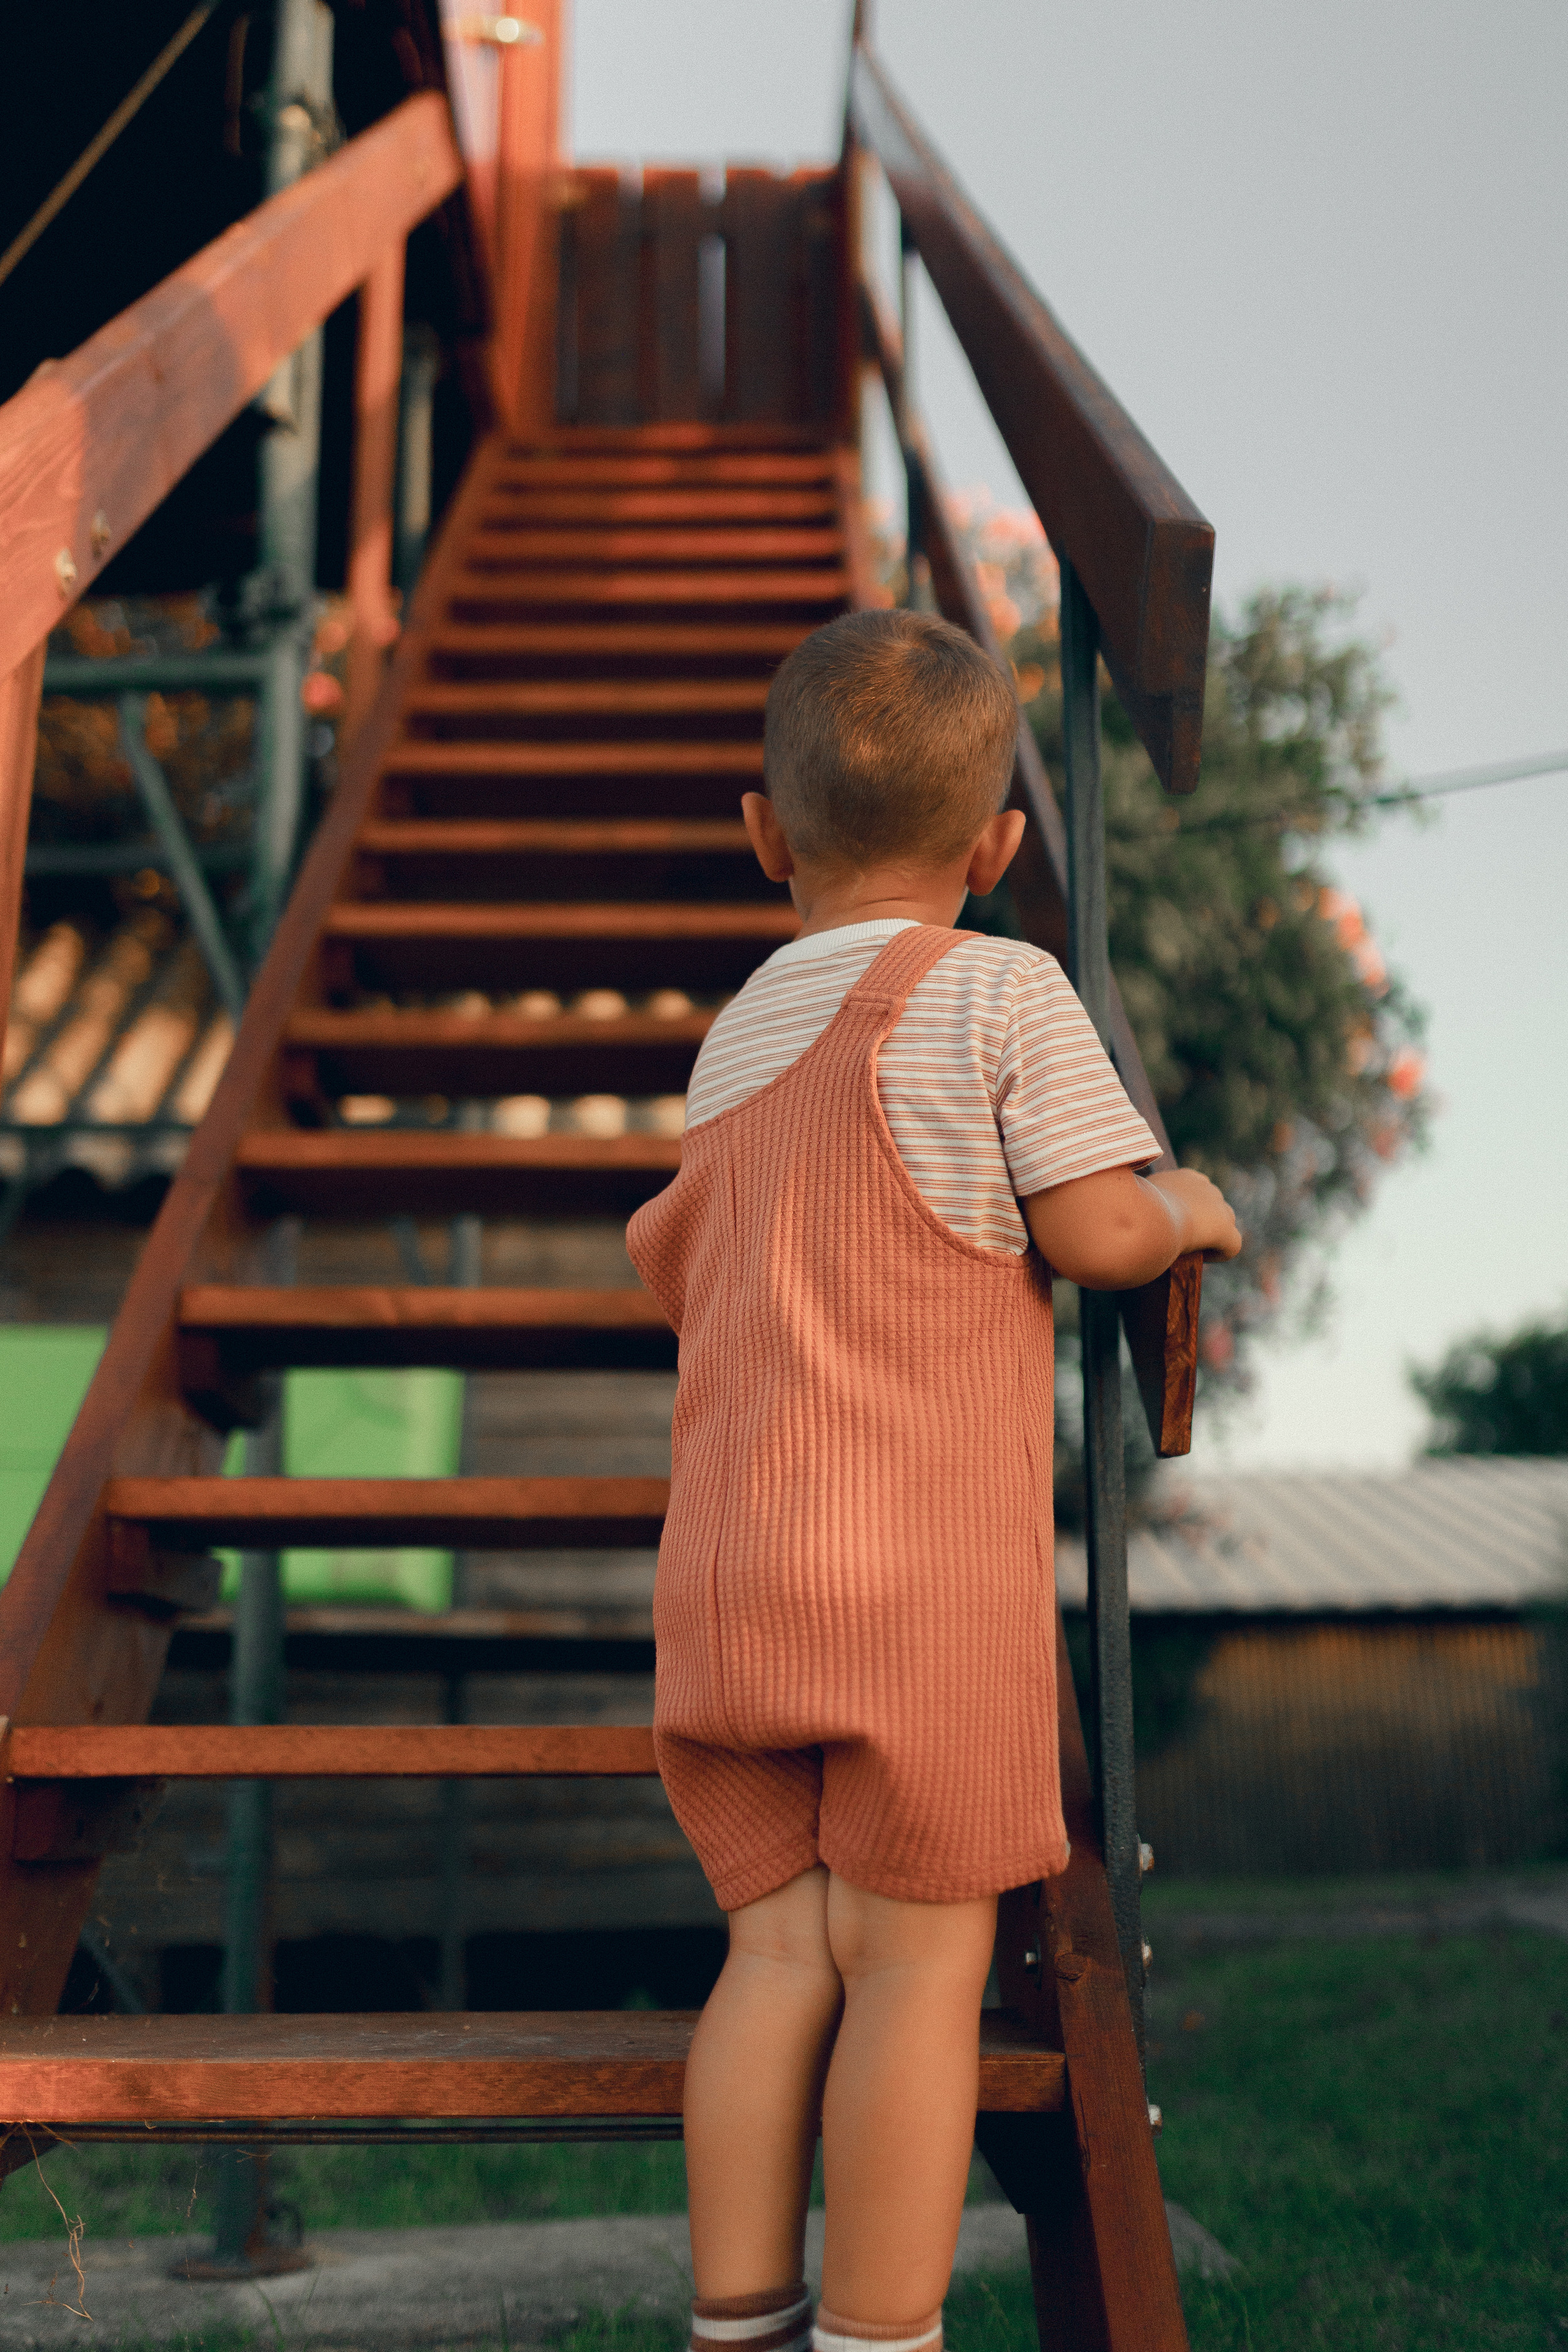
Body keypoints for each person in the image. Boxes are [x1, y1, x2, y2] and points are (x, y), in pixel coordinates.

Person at [626, 609, 1241, 2352]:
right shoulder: (1001, 987)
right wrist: (1186, 1203)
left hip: (731, 1582)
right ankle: (880, 2337)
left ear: (767, 834)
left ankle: (739, 2321)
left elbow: (680, 1263)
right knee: (916, 1969)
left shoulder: (737, 1034)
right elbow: (1097, 1231)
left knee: (773, 1960)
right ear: (998, 846)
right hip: (912, 1594)